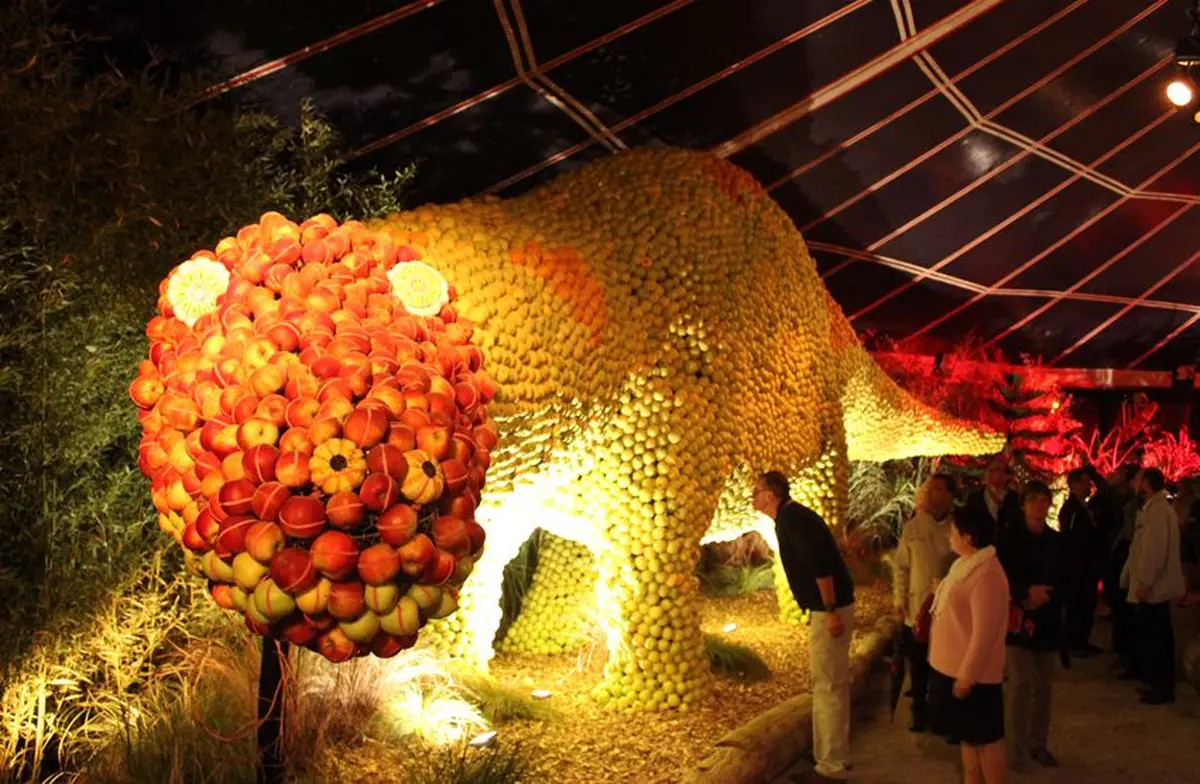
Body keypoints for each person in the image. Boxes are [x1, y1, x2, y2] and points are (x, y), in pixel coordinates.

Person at [754, 471, 855, 783]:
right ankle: (829, 751)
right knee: (829, 683)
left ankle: (831, 765)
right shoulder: (791, 518)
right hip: (828, 607)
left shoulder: (792, 520)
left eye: (756, 491)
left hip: (830, 609)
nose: (752, 497)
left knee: (828, 686)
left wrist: (829, 609)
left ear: (771, 494)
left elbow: (820, 563)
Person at [929, 507, 1009, 784]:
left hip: (976, 675)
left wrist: (967, 676)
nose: (950, 536)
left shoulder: (986, 574)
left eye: (954, 532)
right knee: (969, 739)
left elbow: (984, 634)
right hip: (953, 667)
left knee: (986, 741)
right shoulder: (965, 564)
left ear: (968, 537)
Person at [997, 481, 1065, 769]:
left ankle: (1038, 743)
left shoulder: (1057, 541)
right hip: (1017, 622)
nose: (1039, 506)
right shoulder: (1009, 538)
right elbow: (1001, 578)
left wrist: (1048, 595)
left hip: (1047, 622)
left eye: (1044, 500)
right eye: (1033, 500)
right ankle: (1016, 749)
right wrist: (1026, 594)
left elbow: (1068, 577)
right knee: (1020, 685)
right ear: (1024, 503)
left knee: (1043, 687)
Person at [893, 473, 958, 732]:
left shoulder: (958, 528)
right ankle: (918, 710)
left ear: (951, 496)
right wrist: (899, 599)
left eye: (939, 490)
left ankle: (944, 714)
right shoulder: (913, 528)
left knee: (945, 664)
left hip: (949, 609)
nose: (931, 495)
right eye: (929, 490)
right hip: (917, 606)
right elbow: (901, 567)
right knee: (918, 663)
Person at [1121, 467, 1186, 705]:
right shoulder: (1154, 509)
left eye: (1137, 479)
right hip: (1152, 586)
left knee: (1157, 636)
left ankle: (1162, 686)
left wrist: (1144, 582)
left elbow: (1153, 552)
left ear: (1146, 483)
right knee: (1154, 635)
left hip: (1155, 589)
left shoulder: (1158, 512)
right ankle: (1156, 683)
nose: (1134, 483)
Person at [1059, 468, 1102, 656]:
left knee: (1084, 603)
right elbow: (1072, 539)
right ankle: (1076, 641)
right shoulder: (1072, 510)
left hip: (1084, 564)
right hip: (1078, 566)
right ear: (1075, 485)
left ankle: (1079, 640)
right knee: (1078, 603)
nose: (1088, 488)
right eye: (1085, 484)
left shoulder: (1080, 509)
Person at [965, 455, 1022, 537]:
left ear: (1006, 475)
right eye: (989, 469)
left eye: (997, 469)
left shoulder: (1015, 499)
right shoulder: (974, 498)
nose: (991, 472)